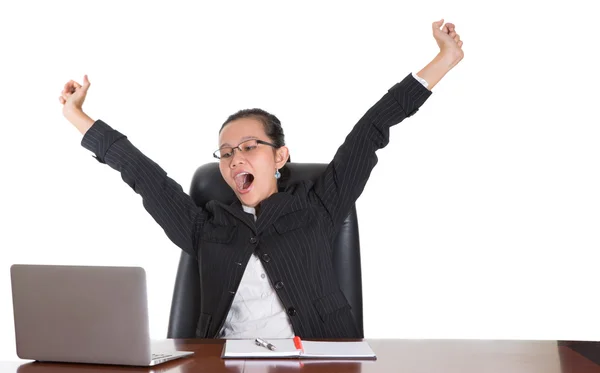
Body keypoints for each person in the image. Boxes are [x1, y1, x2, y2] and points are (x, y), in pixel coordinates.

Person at [58, 19, 464, 339]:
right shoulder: (205, 227)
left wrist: (443, 59)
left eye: (249, 146)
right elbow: (144, 176)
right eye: (227, 152)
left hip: (320, 361)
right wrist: (78, 117)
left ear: (280, 156)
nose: (236, 158)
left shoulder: (319, 204)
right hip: (224, 364)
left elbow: (372, 128)